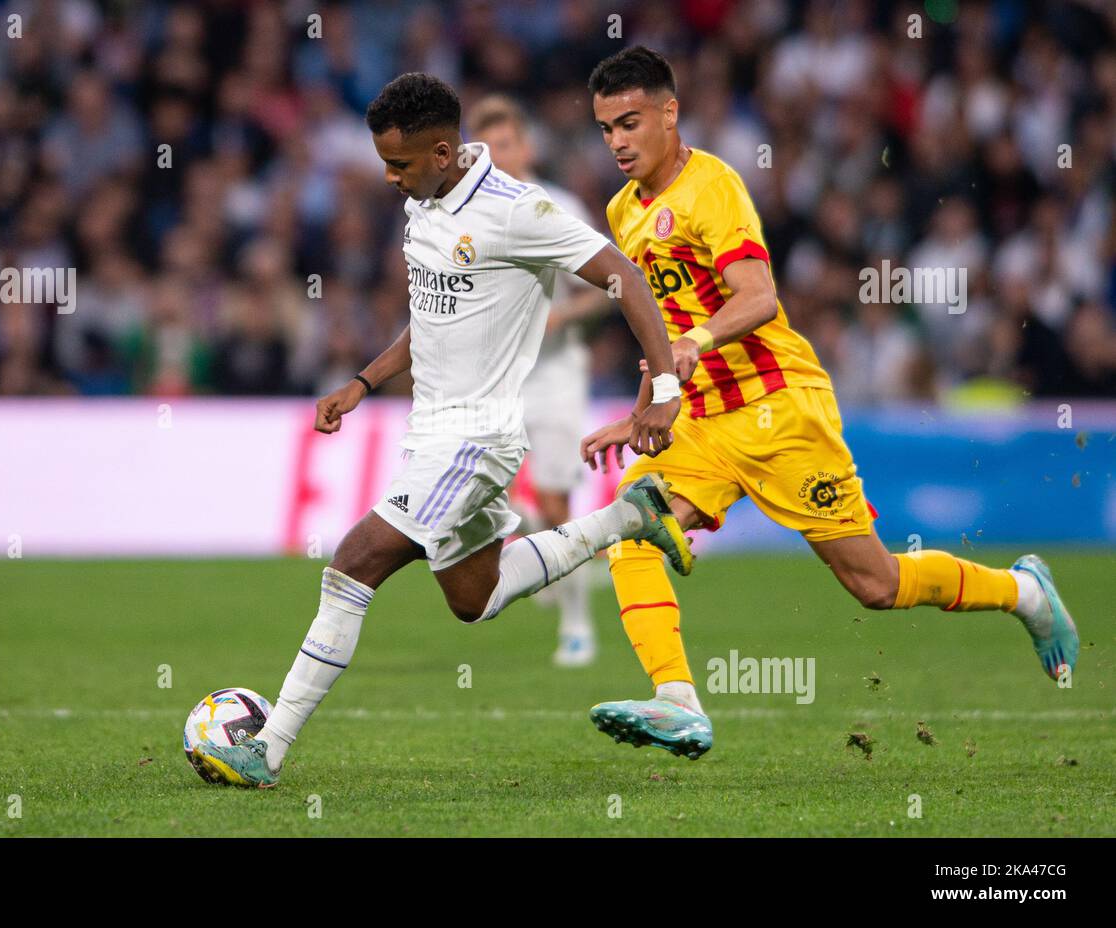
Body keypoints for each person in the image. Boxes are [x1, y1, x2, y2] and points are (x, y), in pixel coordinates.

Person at [578, 47, 1079, 760]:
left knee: (875, 584)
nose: (618, 142)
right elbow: (657, 327)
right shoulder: (623, 211)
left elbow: (758, 297)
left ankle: (1024, 592)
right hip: (705, 419)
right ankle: (677, 700)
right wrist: (641, 412)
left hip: (781, 409)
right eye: (605, 129)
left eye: (629, 122)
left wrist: (693, 343)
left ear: (669, 112)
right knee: (631, 528)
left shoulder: (712, 189)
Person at [191, 72, 688, 789]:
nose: (389, 178)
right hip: (432, 432)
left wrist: (664, 387)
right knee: (473, 597)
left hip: (477, 437)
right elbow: (431, 320)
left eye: (399, 164)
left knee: (353, 562)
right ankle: (626, 517)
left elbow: (626, 279)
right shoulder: (423, 204)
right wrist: (363, 382)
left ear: (444, 151)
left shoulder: (518, 211)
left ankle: (264, 751)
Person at [466, 94, 613, 667]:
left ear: (525, 147)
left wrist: (557, 316)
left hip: (554, 372)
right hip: (493, 377)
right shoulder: (466, 214)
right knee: (485, 501)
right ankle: (541, 553)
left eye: (506, 145)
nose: (497, 157)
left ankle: (577, 624)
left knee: (555, 499)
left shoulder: (560, 206)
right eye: (486, 148)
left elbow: (609, 287)